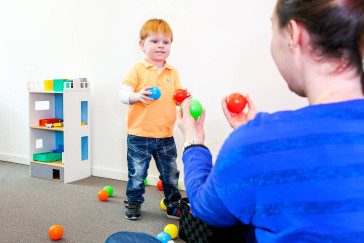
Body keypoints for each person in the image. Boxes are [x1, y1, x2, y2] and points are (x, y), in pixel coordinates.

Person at [177, 0, 364, 242]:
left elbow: (206, 209)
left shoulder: (257, 139)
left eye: (273, 28)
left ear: (294, 34)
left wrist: (194, 141)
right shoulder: (260, 138)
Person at [119, 18, 182, 220]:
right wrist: (135, 97)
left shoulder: (173, 72)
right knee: (137, 174)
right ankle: (134, 203)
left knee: (170, 175)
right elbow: (122, 93)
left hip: (165, 134)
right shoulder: (137, 69)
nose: (161, 46)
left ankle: (173, 205)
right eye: (155, 41)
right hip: (139, 135)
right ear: (142, 45)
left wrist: (183, 99)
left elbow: (177, 98)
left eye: (166, 42)